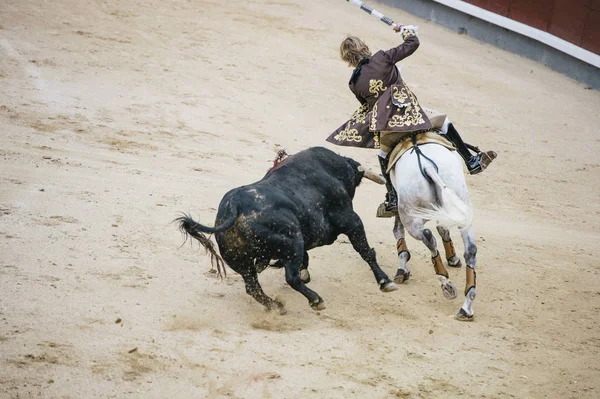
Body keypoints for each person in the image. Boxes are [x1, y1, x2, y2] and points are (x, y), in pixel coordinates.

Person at [326, 24, 497, 217]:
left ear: (347, 58)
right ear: (364, 47)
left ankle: (392, 196)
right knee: (444, 121)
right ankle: (471, 161)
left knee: (383, 155)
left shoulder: (353, 82)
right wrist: (405, 30)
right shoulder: (383, 57)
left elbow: (369, 107)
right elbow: (413, 43)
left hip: (388, 129)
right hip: (412, 117)